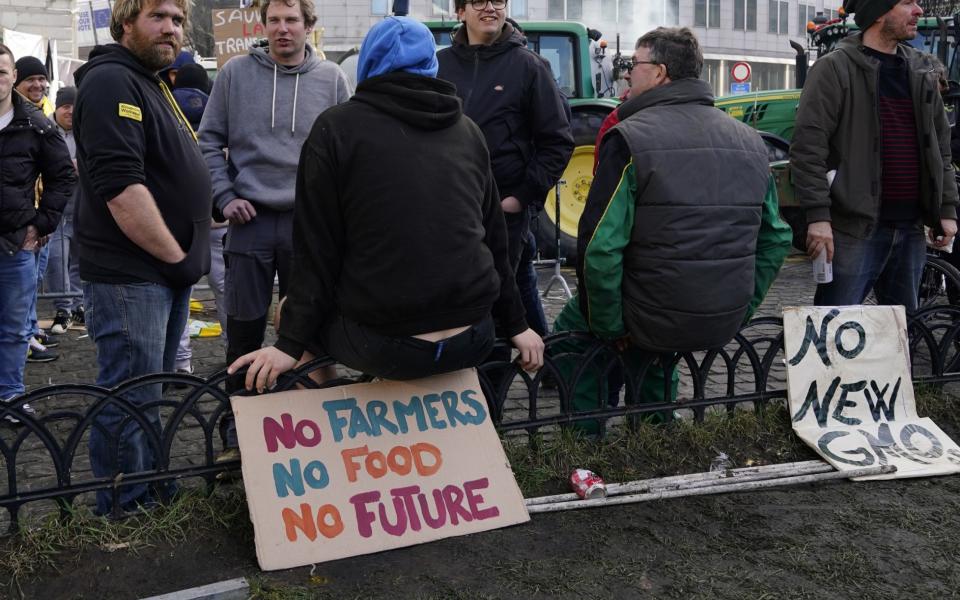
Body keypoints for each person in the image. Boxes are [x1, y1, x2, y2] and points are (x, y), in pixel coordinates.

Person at [228, 16, 543, 393]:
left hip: (383, 344)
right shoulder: (468, 130)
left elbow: (316, 252)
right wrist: (518, 325)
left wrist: (289, 346)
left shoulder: (336, 129)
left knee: (287, 312)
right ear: (432, 64)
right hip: (472, 336)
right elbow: (495, 242)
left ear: (369, 64)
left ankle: (337, 415)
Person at [552, 27, 791, 433]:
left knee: (569, 341)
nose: (627, 75)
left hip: (650, 313)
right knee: (655, 357)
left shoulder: (629, 137)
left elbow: (600, 250)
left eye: (634, 66)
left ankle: (582, 443)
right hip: (720, 316)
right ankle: (658, 436)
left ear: (660, 72)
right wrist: (739, 307)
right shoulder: (751, 141)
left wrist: (611, 327)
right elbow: (776, 240)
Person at [73, 0, 212, 515]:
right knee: (129, 391)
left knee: (148, 391)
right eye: (159, 16)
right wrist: (176, 255)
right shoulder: (112, 81)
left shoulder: (150, 81)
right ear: (125, 22)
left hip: (160, 272)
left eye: (178, 20)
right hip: (133, 275)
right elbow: (121, 188)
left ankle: (149, 484)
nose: (172, 29)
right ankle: (120, 505)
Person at [199, 0, 350, 454]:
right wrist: (225, 197)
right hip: (251, 223)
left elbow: (347, 149)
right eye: (274, 21)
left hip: (309, 226)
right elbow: (208, 140)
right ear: (263, 26)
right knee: (242, 328)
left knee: (309, 328)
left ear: (308, 26)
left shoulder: (331, 79)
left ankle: (312, 423)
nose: (283, 29)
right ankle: (239, 426)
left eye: (292, 21)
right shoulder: (234, 75)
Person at [792, 0, 959, 311]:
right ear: (879, 13)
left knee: (900, 335)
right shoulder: (834, 69)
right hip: (854, 231)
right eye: (908, 2)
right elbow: (807, 150)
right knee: (835, 330)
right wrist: (818, 218)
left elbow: (941, 149)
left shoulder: (922, 70)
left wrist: (946, 208)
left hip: (910, 230)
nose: (919, 11)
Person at [437, 1, 573, 345]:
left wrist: (521, 197)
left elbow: (557, 142)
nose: (489, 8)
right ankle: (545, 357)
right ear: (460, 11)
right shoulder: (439, 66)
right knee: (502, 286)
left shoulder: (529, 67)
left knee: (496, 302)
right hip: (450, 209)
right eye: (478, 1)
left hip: (504, 210)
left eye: (497, 0)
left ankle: (490, 391)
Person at [0, 44, 75, 423]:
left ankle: (10, 397)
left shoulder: (37, 124)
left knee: (14, 328)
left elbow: (63, 176)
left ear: (13, 77)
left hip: (14, 245)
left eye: (2, 72)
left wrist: (42, 222)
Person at [44, 87, 85, 336]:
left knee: (80, 260)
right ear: (57, 108)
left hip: (82, 205)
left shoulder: (86, 128)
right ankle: (63, 308)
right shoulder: (45, 129)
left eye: (73, 106)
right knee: (57, 260)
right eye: (65, 106)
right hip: (56, 208)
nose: (70, 111)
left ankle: (79, 304)